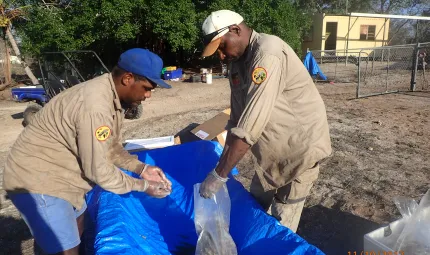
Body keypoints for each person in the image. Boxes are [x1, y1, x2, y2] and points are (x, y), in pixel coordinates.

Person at [3, 48, 173, 255]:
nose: (148, 95)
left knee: (77, 225)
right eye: (147, 88)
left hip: (65, 176)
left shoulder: (110, 95)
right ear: (128, 78)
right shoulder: (95, 106)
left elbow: (110, 147)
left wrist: (142, 168)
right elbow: (99, 171)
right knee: (65, 249)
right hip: (38, 179)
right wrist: (144, 186)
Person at [198, 10, 332, 232]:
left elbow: (250, 126)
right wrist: (217, 171)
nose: (220, 56)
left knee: (282, 222)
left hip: (299, 149)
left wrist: (220, 175)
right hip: (271, 154)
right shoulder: (237, 64)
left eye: (221, 47)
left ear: (236, 30)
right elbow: (236, 122)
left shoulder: (267, 53)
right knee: (256, 206)